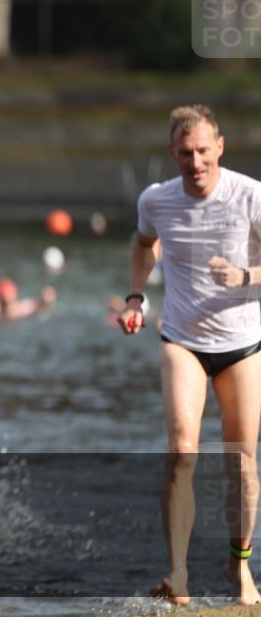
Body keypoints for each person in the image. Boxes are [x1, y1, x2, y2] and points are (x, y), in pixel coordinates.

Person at [118, 105, 261, 606]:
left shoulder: (250, 196)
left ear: (219, 145)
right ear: (172, 154)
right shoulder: (156, 200)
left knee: (241, 464)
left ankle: (239, 566)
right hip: (181, 339)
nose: (195, 162)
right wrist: (135, 296)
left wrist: (245, 277)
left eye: (203, 151)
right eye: (185, 153)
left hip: (242, 345)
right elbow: (142, 245)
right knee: (182, 450)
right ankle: (177, 574)